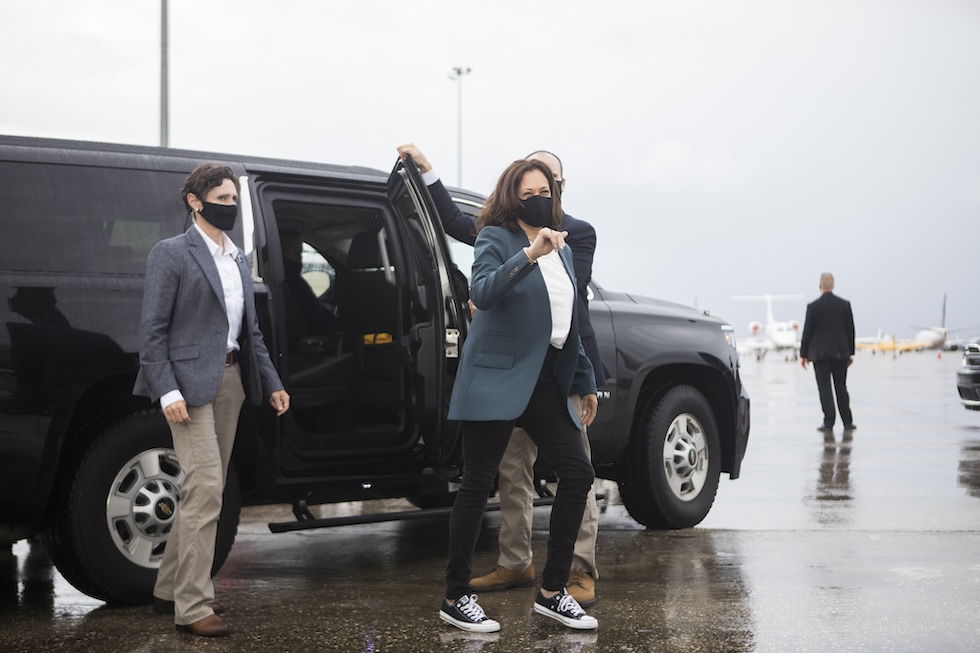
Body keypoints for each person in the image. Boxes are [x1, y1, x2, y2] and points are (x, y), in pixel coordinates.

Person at [397, 144, 604, 607]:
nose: (537, 196)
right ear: (512, 195)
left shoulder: (570, 243)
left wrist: (584, 379)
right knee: (485, 480)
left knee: (578, 472)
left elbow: (567, 320)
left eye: (544, 189)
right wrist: (529, 254)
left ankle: (558, 585)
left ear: (558, 191)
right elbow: (484, 291)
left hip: (551, 378)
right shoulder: (498, 237)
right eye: (527, 190)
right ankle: (459, 593)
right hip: (499, 379)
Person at [134, 163, 290, 638]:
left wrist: (272, 381)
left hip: (231, 383)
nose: (231, 206)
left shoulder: (236, 258)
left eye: (234, 199)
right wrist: (167, 391)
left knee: (205, 490)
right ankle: (193, 605)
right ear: (195, 202)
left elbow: (250, 331)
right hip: (187, 389)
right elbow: (152, 332)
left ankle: (167, 588)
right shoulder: (172, 253)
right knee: (205, 490)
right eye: (221, 199)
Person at [800, 272, 855, 432]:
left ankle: (828, 421)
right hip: (840, 354)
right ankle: (848, 421)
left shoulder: (813, 307)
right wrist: (850, 353)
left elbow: (807, 332)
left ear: (820, 286)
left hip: (820, 355)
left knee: (824, 388)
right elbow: (850, 330)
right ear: (833, 285)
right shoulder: (844, 305)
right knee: (841, 386)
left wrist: (803, 355)